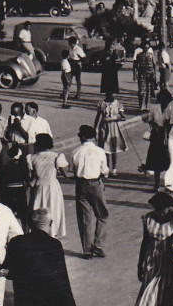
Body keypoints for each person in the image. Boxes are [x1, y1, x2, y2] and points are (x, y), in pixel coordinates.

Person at [131, 192, 173, 306]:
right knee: (148, 295)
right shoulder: (148, 219)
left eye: (163, 209)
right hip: (152, 263)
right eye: (158, 209)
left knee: (169, 297)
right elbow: (145, 242)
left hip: (170, 263)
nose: (161, 212)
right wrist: (140, 265)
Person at [71, 125, 109, 258]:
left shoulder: (76, 151)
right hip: (95, 183)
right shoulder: (99, 151)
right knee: (102, 215)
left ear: (82, 137)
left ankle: (87, 250)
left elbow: (74, 169)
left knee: (85, 218)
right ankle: (98, 245)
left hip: (81, 185)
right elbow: (104, 170)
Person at [26, 134, 67, 238]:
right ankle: (53, 232)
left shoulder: (32, 158)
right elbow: (65, 173)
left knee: (38, 208)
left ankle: (38, 232)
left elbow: (31, 176)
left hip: (39, 187)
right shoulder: (56, 156)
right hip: (53, 186)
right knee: (54, 209)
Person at [141, 88, 173, 192]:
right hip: (157, 136)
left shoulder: (171, 108)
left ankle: (169, 183)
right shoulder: (155, 108)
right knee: (156, 161)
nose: (163, 101)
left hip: (168, 135)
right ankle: (156, 184)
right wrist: (155, 125)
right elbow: (150, 120)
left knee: (169, 159)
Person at [94, 91, 129, 174]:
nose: (114, 95)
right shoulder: (101, 103)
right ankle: (106, 168)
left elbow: (124, 117)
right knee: (104, 148)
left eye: (115, 93)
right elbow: (97, 117)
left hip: (114, 127)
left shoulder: (118, 104)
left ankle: (114, 169)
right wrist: (94, 128)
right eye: (112, 93)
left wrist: (117, 118)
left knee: (114, 148)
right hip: (104, 127)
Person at [0, 145, 31, 230]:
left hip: (8, 192)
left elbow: (0, 184)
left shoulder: (4, 168)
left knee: (8, 214)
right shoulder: (22, 167)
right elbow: (27, 180)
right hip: (19, 191)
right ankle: (25, 231)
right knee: (23, 214)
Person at [133, 38, 157, 111]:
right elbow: (135, 65)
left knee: (149, 90)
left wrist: (155, 74)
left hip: (150, 75)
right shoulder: (139, 55)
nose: (146, 48)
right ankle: (141, 105)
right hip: (142, 74)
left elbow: (154, 65)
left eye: (147, 46)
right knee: (141, 91)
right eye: (144, 46)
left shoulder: (151, 55)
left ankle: (147, 105)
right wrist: (134, 74)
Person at [65, 35, 86, 103]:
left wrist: (80, 62)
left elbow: (83, 57)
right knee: (69, 79)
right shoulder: (70, 48)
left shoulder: (78, 49)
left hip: (76, 65)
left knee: (77, 79)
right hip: (71, 64)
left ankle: (78, 94)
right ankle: (66, 93)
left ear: (73, 43)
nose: (68, 44)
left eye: (69, 43)